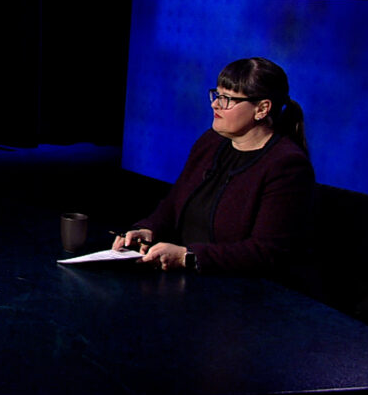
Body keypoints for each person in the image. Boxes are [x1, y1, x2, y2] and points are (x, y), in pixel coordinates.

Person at [112, 57, 315, 283]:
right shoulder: (210, 142)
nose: (215, 104)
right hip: (185, 279)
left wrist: (188, 257)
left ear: (262, 108)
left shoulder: (286, 165)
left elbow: (266, 251)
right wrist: (148, 230)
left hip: (241, 291)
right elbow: (173, 203)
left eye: (227, 99)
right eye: (217, 95)